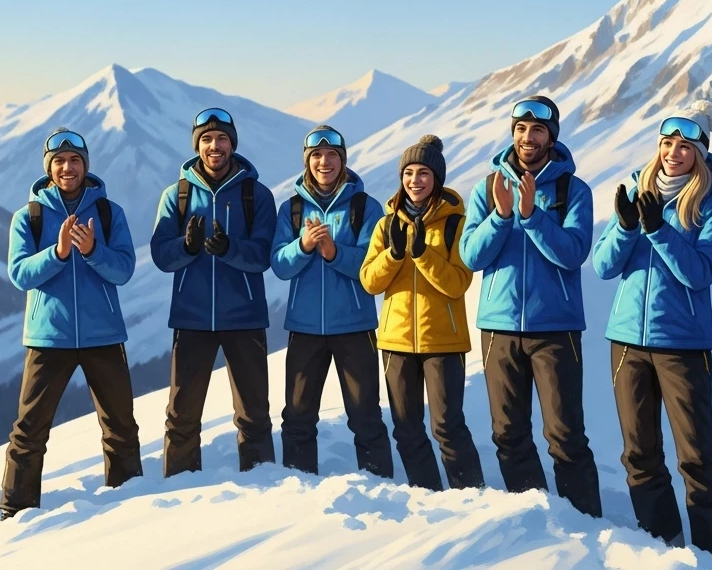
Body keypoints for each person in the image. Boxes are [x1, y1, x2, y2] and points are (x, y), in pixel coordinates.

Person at [593, 99, 712, 559]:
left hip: (682, 347)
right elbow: (603, 265)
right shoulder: (637, 193)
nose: (674, 152)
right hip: (627, 343)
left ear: (701, 153)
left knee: (696, 458)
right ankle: (662, 546)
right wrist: (626, 225)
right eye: (667, 143)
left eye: (685, 145)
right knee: (639, 454)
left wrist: (657, 229)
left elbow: (700, 273)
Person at [459, 96, 601, 516]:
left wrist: (531, 216)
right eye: (520, 129)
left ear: (551, 136)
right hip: (498, 327)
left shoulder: (572, 190)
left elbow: (574, 253)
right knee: (508, 433)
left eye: (537, 130)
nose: (527, 137)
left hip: (555, 329)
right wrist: (502, 217)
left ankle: (585, 521)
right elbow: (470, 255)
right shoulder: (488, 187)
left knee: (565, 435)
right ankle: (538, 518)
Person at [0, 128, 141, 519]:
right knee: (29, 432)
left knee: (121, 428)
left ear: (86, 166)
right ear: (49, 169)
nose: (67, 168)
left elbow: (124, 269)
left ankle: (130, 503)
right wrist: (59, 252)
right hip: (48, 338)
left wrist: (93, 250)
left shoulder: (110, 213)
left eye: (75, 161)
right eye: (59, 162)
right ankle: (15, 512)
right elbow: (19, 274)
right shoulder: (27, 217)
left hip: (104, 335)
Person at [150, 107, 277, 476]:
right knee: (181, 417)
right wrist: (187, 247)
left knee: (253, 415)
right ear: (197, 145)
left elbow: (264, 256)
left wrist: (230, 249)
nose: (215, 145)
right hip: (192, 319)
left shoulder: (257, 195)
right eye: (207, 139)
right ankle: (179, 487)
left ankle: (263, 485)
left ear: (232, 144)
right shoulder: (178, 195)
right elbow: (162, 255)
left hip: (245, 318)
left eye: (222, 138)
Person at [360, 134, 484, 491]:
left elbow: (458, 283)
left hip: (442, 341)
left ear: (437, 179)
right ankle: (427, 494)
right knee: (406, 426)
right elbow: (369, 281)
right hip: (396, 341)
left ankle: (470, 493)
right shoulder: (387, 225)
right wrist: (394, 255)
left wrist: (421, 255)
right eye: (409, 173)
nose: (415, 180)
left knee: (446, 425)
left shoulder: (454, 225)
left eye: (424, 173)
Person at [270, 125, 392, 478]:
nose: (325, 162)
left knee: (365, 416)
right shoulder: (292, 209)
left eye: (332, 156)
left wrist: (333, 252)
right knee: (297, 416)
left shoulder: (364, 207)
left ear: (343, 160)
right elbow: (279, 264)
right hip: (305, 328)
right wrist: (304, 246)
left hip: (355, 326)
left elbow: (373, 264)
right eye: (317, 156)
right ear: (308, 162)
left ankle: (379, 486)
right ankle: (299, 484)